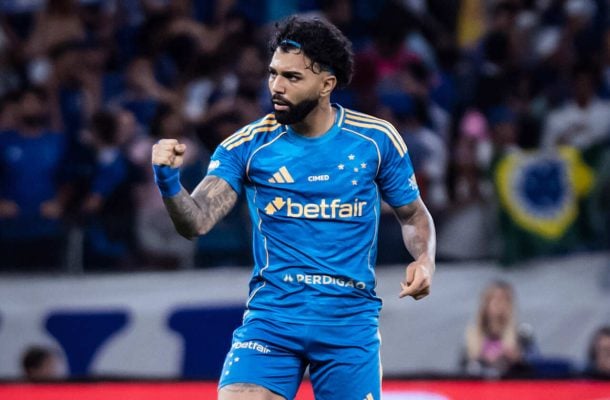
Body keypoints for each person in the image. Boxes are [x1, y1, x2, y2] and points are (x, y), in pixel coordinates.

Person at [152, 16, 436, 400]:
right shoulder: (247, 146)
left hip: (348, 324)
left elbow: (413, 214)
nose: (276, 86)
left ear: (326, 84)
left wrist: (424, 260)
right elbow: (197, 222)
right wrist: (169, 183)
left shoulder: (376, 140)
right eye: (273, 74)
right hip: (272, 322)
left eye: (292, 77)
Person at [460, 280, 536, 378]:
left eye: (504, 299)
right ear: (485, 304)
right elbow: (461, 370)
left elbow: (536, 365)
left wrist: (518, 358)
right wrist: (483, 359)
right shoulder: (473, 336)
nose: (498, 304)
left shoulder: (522, 334)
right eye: (493, 299)